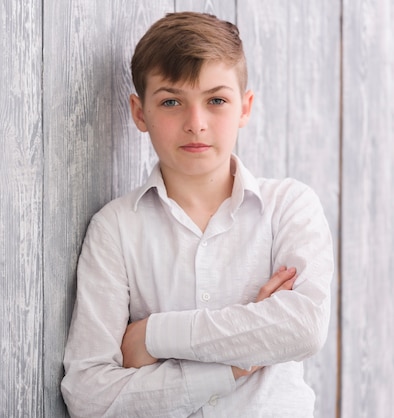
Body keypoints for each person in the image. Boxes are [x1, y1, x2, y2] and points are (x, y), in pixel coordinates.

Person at [60, 11, 333, 418]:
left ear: (245, 107)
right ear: (139, 112)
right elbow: (89, 395)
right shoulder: (115, 229)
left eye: (216, 100)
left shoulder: (289, 207)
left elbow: (304, 327)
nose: (196, 124)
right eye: (171, 102)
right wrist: (238, 362)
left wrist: (153, 336)